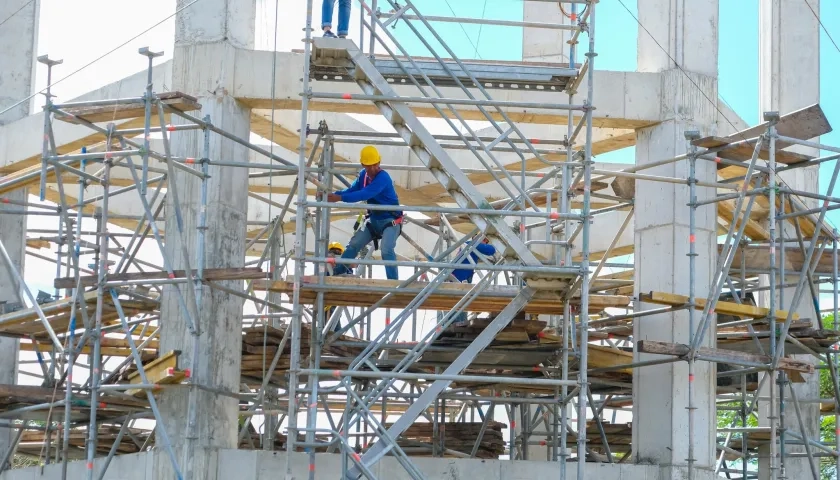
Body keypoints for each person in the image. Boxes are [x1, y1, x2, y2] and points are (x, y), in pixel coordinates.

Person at [327, 145, 402, 280]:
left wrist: (339, 198)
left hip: (390, 222)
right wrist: (333, 195)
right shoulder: (363, 176)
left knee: (387, 250)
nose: (373, 168)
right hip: (373, 221)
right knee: (354, 244)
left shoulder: (383, 178)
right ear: (363, 165)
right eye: (369, 166)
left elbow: (364, 194)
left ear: (379, 163)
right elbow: (352, 190)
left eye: (375, 165)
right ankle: (336, 275)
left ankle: (394, 284)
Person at [447, 237, 497, 326]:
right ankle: (456, 322)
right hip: (460, 276)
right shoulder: (472, 243)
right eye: (484, 240)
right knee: (460, 300)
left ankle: (456, 321)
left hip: (462, 275)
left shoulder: (469, 246)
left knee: (462, 300)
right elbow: (491, 250)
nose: (485, 243)